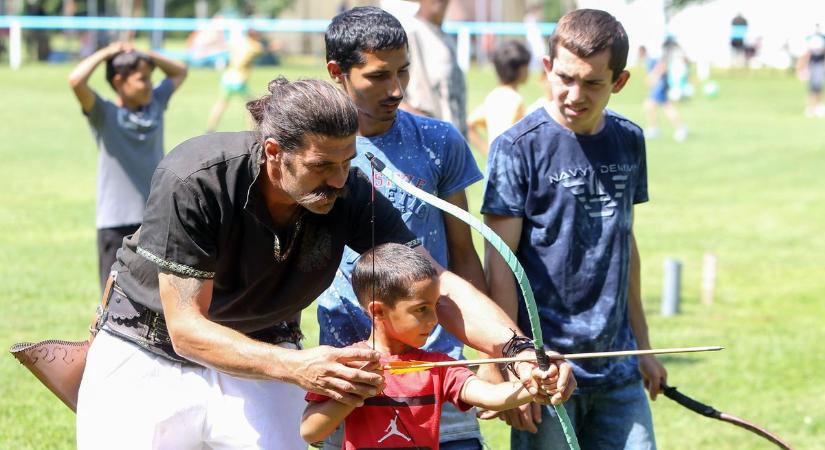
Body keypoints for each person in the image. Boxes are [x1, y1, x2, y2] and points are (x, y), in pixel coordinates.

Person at [75, 76, 574, 449]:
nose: (339, 180)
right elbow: (187, 328)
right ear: (274, 153)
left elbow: (436, 283)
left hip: (266, 351)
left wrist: (517, 349)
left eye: (346, 161)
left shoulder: (348, 192)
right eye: (322, 166)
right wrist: (297, 366)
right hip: (150, 346)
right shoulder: (198, 178)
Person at [482, 9, 667, 449]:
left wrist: (644, 346)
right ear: (547, 68)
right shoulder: (515, 148)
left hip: (617, 366)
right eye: (564, 77)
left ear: (619, 82)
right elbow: (500, 267)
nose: (574, 93)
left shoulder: (629, 139)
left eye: (592, 83)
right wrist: (516, 366)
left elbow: (625, 243)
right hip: (547, 371)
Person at [320, 7, 488, 449]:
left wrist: (492, 355)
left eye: (403, 72)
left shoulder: (439, 140)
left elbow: (463, 253)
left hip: (438, 368)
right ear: (337, 72)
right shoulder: (317, 154)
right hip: (351, 372)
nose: (395, 89)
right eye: (377, 76)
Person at [302, 243, 563, 449]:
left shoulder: (437, 366)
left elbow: (490, 396)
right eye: (421, 309)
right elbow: (311, 431)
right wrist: (355, 392)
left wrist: (532, 384)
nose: (434, 320)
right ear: (378, 311)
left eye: (436, 305)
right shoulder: (348, 365)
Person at [68, 41, 188, 291]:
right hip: (116, 220)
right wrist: (106, 53)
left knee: (155, 295)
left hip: (154, 217)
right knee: (113, 294)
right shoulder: (104, 113)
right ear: (119, 82)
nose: (148, 85)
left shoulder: (154, 104)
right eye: (142, 79)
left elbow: (180, 71)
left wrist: (146, 54)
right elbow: (76, 81)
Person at [400, 0, 467, 136]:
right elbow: (391, 99)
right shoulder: (409, 33)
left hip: (451, 142)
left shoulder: (446, 38)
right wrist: (428, 125)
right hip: (425, 140)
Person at [467, 40, 531, 155]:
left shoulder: (493, 96)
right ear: (521, 70)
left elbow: (469, 124)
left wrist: (489, 153)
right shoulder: (513, 99)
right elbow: (504, 134)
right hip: (509, 167)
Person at [205, 28, 264, 132]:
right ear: (255, 36)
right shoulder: (255, 46)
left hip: (227, 77)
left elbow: (227, 47)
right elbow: (262, 51)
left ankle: (210, 128)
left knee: (222, 103)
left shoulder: (238, 42)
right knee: (253, 105)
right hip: (239, 79)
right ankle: (251, 130)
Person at [643, 38, 689, 142]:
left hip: (661, 82)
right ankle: (679, 128)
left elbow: (662, 64)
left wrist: (654, 76)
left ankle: (656, 129)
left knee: (651, 105)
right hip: (661, 82)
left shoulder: (659, 47)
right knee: (663, 105)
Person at [796, 26, 825, 118]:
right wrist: (801, 68)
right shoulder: (812, 40)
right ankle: (811, 108)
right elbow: (806, 56)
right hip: (813, 66)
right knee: (813, 88)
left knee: (818, 87)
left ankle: (817, 107)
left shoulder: (821, 38)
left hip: (819, 66)